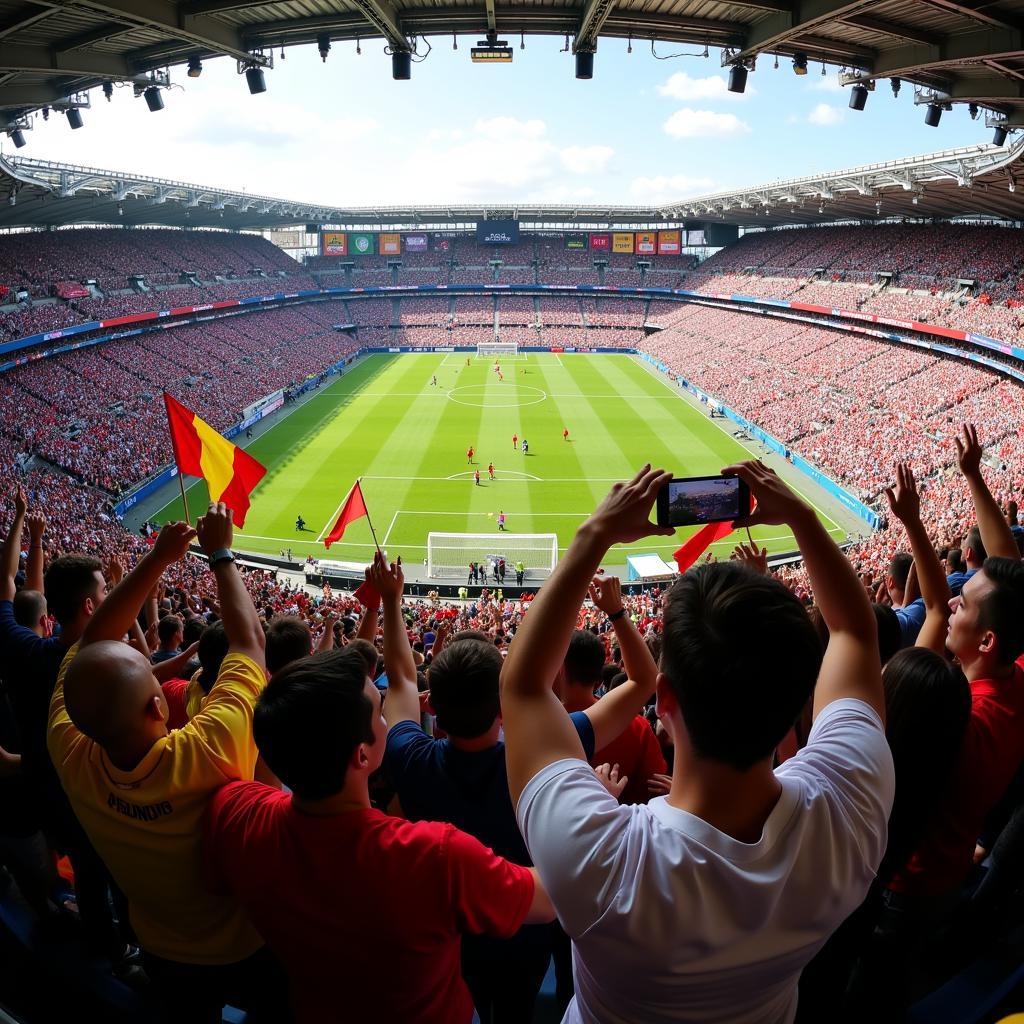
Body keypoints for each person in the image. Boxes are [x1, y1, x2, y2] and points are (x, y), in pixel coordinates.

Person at [501, 463, 894, 1023]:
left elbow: (520, 687)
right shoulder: (849, 815)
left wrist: (596, 535)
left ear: (663, 698)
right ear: (797, 710)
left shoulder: (604, 862)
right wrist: (806, 518)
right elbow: (855, 631)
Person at [204, 556, 555, 1024]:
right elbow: (549, 899)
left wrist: (386, 605)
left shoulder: (235, 812)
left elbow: (395, 686)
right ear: (361, 756)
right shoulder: (432, 855)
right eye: (377, 711)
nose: (387, 713)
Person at [379, 555, 656, 1024]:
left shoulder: (409, 759)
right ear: (504, 707)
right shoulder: (545, 753)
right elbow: (643, 682)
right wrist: (615, 613)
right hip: (525, 932)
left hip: (451, 929)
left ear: (433, 707)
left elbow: (403, 677)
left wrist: (389, 601)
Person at [49, 504, 288, 1021]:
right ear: (158, 704)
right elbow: (251, 642)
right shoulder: (206, 748)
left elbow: (90, 647)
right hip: (247, 940)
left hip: (159, 944)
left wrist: (157, 562)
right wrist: (218, 555)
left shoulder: (71, 747)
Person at [0, 486, 138, 979]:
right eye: (103, 592)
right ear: (86, 605)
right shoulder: (94, 662)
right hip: (91, 795)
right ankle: (128, 951)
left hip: (43, 790)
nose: (107, 598)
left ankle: (111, 949)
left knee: (86, 872)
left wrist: (27, 532)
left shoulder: (22, 650)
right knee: (113, 873)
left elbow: (13, 596)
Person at [559, 584, 667, 805]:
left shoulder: (535, 729)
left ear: (558, 670)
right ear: (599, 677)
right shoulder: (637, 728)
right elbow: (656, 793)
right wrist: (617, 613)